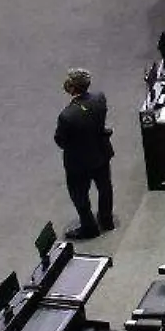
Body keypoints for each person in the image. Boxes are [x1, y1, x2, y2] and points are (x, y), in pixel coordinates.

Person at [56, 68, 116, 239]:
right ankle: (106, 220)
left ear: (72, 88)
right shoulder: (99, 98)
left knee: (79, 194)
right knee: (105, 187)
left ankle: (89, 227)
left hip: (79, 162)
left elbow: (60, 140)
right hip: (101, 152)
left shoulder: (66, 116)